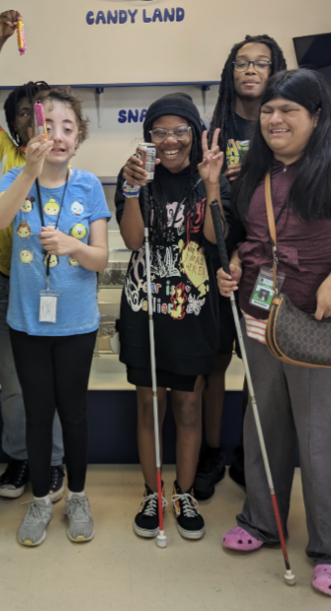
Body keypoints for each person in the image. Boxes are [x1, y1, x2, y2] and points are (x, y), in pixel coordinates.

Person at [209, 69, 331, 597]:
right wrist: (236, 270)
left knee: (318, 439)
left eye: (288, 110)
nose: (275, 118)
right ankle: (262, 521)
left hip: (315, 324)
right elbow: (251, 241)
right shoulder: (256, 174)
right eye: (268, 109)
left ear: (316, 117)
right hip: (258, 315)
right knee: (263, 425)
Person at [0, 87, 109, 545]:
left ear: (78, 137)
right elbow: (0, 221)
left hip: (77, 324)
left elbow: (99, 258)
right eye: (48, 126)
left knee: (74, 415)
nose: (57, 135)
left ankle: (77, 495)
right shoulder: (15, 178)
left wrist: (73, 246)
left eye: (68, 127)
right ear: (29, 133)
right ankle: (40, 499)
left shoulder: (89, 185)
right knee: (37, 416)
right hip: (26, 323)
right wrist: (30, 172)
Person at [116, 93, 227, 542]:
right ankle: (152, 492)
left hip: (193, 308)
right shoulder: (137, 178)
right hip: (145, 307)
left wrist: (214, 185)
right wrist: (130, 191)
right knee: (149, 403)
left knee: (187, 403)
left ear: (194, 135)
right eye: (159, 131)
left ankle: (183, 493)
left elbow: (216, 240)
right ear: (148, 138)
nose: (170, 140)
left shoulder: (207, 178)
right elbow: (130, 239)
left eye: (180, 130)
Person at [0, 9, 67, 502]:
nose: (37, 117)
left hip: (58, 285)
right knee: (12, 384)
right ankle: (20, 459)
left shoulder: (68, 157)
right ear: (12, 126)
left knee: (49, 382)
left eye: (45, 109)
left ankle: (53, 460)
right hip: (9, 283)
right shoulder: (5, 154)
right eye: (26, 112)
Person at [197, 35, 287, 498]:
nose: (251, 70)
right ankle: (211, 451)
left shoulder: (288, 127)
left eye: (261, 63)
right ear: (231, 73)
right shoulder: (214, 129)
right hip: (216, 265)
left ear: (276, 72)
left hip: (267, 268)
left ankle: (255, 453)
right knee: (214, 363)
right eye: (242, 63)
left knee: (262, 365)